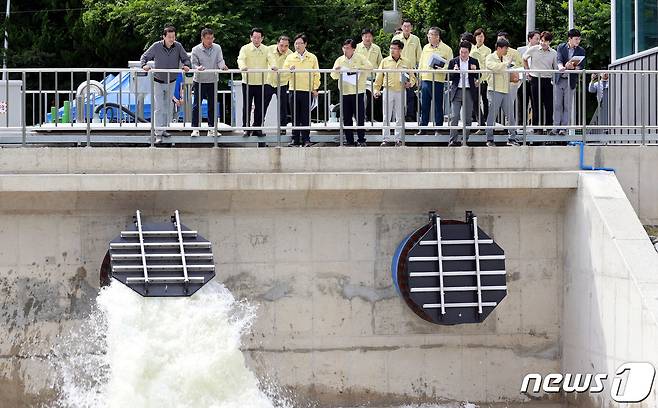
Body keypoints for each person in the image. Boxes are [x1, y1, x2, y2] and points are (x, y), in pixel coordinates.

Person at [140, 25, 191, 143]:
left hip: (171, 81)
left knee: (168, 106)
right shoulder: (156, 46)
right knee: (159, 107)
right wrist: (144, 65)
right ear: (164, 37)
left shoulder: (178, 46)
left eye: (173, 37)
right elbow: (144, 57)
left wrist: (186, 65)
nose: (172, 39)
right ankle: (158, 133)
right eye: (169, 37)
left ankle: (164, 129)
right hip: (158, 80)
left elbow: (186, 58)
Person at [331, 38, 373, 146]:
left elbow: (370, 67)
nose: (345, 50)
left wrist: (358, 68)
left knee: (360, 117)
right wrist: (336, 71)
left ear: (353, 49)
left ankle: (361, 139)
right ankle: (349, 140)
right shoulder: (340, 60)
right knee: (346, 117)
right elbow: (333, 76)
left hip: (358, 92)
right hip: (345, 92)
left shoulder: (360, 58)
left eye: (348, 48)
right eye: (344, 48)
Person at [373, 40, 416, 146]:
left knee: (400, 116)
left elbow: (413, 77)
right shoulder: (384, 61)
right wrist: (376, 90)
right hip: (388, 89)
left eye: (395, 48)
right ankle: (385, 139)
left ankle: (398, 139)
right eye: (391, 48)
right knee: (386, 115)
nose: (392, 50)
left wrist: (410, 83)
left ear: (400, 50)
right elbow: (379, 77)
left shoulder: (406, 62)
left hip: (401, 90)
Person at [283, 33, 320, 147]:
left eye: (300, 43)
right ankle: (295, 139)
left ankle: (306, 139)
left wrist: (315, 88)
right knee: (295, 116)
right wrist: (289, 70)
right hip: (294, 89)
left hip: (307, 90)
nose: (298, 45)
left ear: (305, 44)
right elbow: (284, 73)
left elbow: (316, 74)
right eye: (296, 43)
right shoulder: (290, 57)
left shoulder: (312, 57)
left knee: (305, 116)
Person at [190, 28, 228, 137]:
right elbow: (193, 64)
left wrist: (222, 67)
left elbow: (220, 60)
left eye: (212, 38)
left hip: (212, 80)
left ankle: (211, 128)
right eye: (208, 38)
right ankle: (195, 128)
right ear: (202, 38)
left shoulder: (217, 48)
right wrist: (198, 68)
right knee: (197, 105)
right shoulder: (195, 49)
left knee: (212, 105)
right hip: (199, 80)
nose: (210, 41)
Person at [418, 27, 453, 135]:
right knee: (424, 105)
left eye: (431, 35)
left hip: (438, 80)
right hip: (426, 79)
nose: (429, 37)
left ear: (437, 36)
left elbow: (450, 65)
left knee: (438, 105)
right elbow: (421, 63)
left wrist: (442, 68)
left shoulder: (447, 49)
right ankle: (423, 128)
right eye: (428, 35)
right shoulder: (425, 48)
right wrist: (419, 78)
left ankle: (438, 128)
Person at [485, 38, 519, 146]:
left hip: (505, 90)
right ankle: (489, 139)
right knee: (492, 115)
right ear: (499, 48)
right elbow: (494, 68)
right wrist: (506, 64)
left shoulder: (504, 58)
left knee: (510, 115)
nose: (506, 51)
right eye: (505, 48)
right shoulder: (490, 57)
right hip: (494, 89)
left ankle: (512, 138)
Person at [523, 31, 557, 134]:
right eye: (541, 40)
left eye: (545, 41)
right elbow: (524, 58)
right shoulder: (533, 49)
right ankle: (537, 128)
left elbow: (555, 67)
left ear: (550, 42)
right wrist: (528, 70)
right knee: (536, 104)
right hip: (535, 79)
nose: (543, 43)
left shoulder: (554, 53)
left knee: (549, 105)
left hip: (547, 79)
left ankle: (549, 127)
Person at [553, 28, 586, 136]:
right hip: (560, 79)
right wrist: (563, 66)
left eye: (579, 39)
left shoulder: (581, 50)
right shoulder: (561, 47)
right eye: (576, 39)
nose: (578, 41)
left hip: (571, 80)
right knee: (557, 105)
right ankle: (555, 127)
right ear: (570, 39)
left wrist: (574, 68)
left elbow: (581, 66)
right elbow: (558, 60)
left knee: (567, 105)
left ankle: (564, 128)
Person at [237, 28, 269, 137]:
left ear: (262, 38)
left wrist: (273, 66)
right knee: (246, 105)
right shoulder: (245, 48)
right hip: (248, 81)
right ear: (251, 38)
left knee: (260, 106)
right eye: (254, 37)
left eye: (259, 37)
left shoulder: (266, 49)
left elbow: (271, 59)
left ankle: (257, 128)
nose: (256, 40)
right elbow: (240, 59)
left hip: (261, 82)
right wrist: (243, 67)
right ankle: (246, 128)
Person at [447, 41, 480, 146]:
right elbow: (448, 77)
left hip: (469, 90)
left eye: (465, 52)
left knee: (467, 117)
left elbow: (479, 76)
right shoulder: (453, 61)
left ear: (469, 52)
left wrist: (475, 71)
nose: (463, 54)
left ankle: (465, 139)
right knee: (454, 116)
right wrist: (454, 71)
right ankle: (453, 139)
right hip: (457, 90)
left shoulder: (474, 61)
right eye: (461, 52)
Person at [392, 19, 422, 121]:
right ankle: (398, 117)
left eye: (409, 26)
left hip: (410, 70)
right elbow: (391, 54)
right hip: (397, 70)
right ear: (401, 26)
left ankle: (410, 116)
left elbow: (419, 57)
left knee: (410, 94)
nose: (406, 28)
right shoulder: (396, 38)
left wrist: (418, 73)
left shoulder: (416, 39)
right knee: (397, 94)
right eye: (405, 26)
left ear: (411, 28)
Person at [265, 35, 293, 135]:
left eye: (286, 46)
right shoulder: (268, 49)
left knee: (283, 107)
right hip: (268, 82)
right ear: (277, 43)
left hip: (282, 83)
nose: (284, 48)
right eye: (281, 45)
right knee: (262, 107)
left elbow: (292, 70)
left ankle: (282, 128)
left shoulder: (291, 54)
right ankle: (259, 128)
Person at [496, 32, 523, 131]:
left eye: (502, 39)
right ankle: (500, 127)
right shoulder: (494, 53)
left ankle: (509, 128)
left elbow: (521, 66)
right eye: (498, 40)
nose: (500, 42)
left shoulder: (514, 52)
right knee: (496, 106)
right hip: (499, 83)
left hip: (511, 83)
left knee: (510, 106)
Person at [356, 28, 383, 122]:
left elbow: (380, 63)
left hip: (373, 78)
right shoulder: (357, 47)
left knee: (372, 99)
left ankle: (370, 118)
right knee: (361, 99)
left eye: (370, 36)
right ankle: (360, 118)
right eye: (365, 36)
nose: (368, 38)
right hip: (360, 78)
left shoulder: (376, 48)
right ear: (362, 37)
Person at [517, 30, 540, 126]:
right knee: (522, 103)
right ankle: (521, 124)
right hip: (524, 79)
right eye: (536, 38)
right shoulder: (521, 50)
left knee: (535, 104)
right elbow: (517, 63)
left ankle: (535, 126)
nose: (538, 41)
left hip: (535, 79)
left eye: (539, 39)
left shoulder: (540, 49)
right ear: (530, 39)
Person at [470, 28, 492, 130]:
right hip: (474, 79)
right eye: (478, 36)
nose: (480, 38)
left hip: (484, 79)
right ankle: (477, 119)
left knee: (485, 100)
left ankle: (486, 120)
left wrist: (481, 78)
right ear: (475, 37)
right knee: (475, 100)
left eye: (482, 36)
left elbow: (486, 66)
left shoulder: (488, 50)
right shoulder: (471, 49)